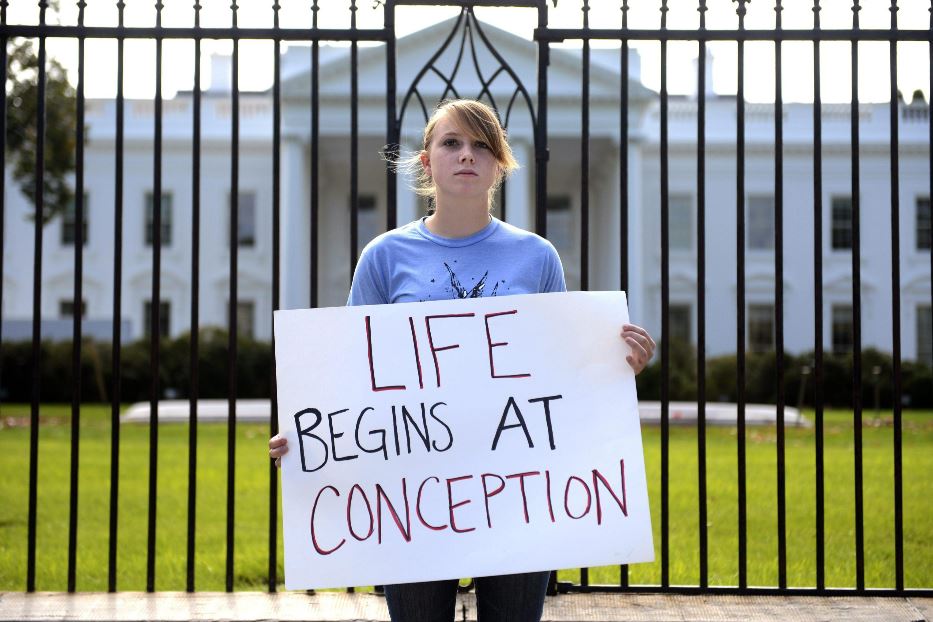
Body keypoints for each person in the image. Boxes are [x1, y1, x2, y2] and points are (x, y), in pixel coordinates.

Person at [269, 98, 656, 622]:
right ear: (427, 161)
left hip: (518, 495)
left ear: (500, 164)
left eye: (481, 145)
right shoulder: (384, 256)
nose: (466, 155)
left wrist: (613, 369)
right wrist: (310, 434)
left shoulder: (537, 257)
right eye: (451, 143)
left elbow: (558, 372)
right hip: (414, 497)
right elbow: (353, 371)